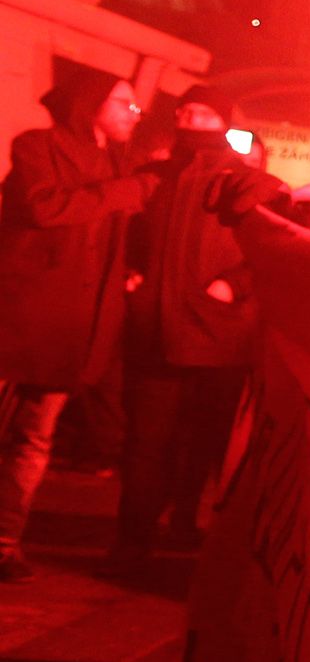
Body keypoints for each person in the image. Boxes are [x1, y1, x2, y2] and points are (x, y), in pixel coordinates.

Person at [0, 63, 159, 583]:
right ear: (90, 105)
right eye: (122, 103)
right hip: (18, 317)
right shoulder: (36, 146)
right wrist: (126, 192)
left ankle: (4, 542)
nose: (134, 113)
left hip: (72, 328)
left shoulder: (121, 161)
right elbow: (45, 208)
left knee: (35, 437)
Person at [111, 85, 270, 568]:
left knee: (206, 445)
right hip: (156, 331)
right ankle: (131, 544)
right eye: (184, 111)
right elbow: (128, 235)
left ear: (222, 121)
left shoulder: (244, 181)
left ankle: (189, 528)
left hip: (218, 335)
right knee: (145, 444)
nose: (189, 120)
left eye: (202, 113)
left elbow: (269, 248)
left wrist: (234, 286)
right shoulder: (155, 177)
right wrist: (132, 272)